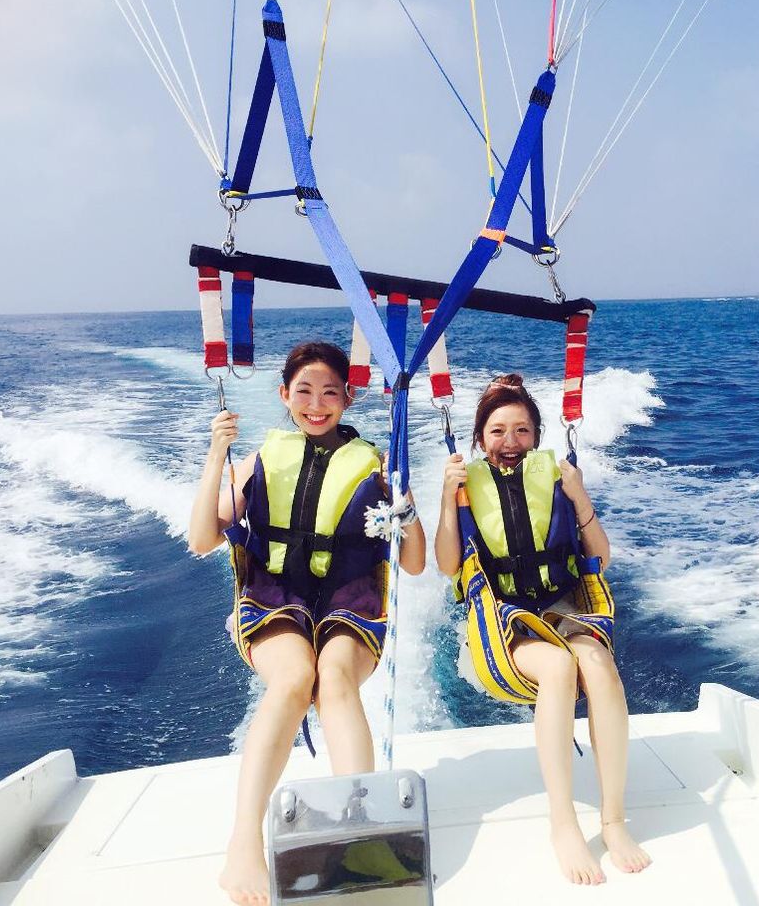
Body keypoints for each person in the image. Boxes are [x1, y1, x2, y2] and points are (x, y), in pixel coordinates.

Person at [188, 341, 426, 906]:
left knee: (335, 678)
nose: (316, 405)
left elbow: (415, 564)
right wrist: (216, 455)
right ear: (284, 395)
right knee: (296, 678)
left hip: (350, 597)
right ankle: (244, 841)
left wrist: (405, 499)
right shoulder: (261, 459)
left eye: (329, 393)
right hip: (274, 594)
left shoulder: (376, 465)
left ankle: (360, 832)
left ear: (348, 397)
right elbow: (202, 539)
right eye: (304, 392)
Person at [434, 374, 651, 885]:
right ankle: (563, 824)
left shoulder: (557, 479)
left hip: (561, 605)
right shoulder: (465, 487)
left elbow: (600, 558)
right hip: (502, 623)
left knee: (599, 664)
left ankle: (613, 820)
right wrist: (446, 498)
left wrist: (579, 495)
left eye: (522, 431)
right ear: (480, 439)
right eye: (497, 431)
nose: (510, 442)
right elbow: (446, 566)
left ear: (536, 435)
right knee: (557, 667)